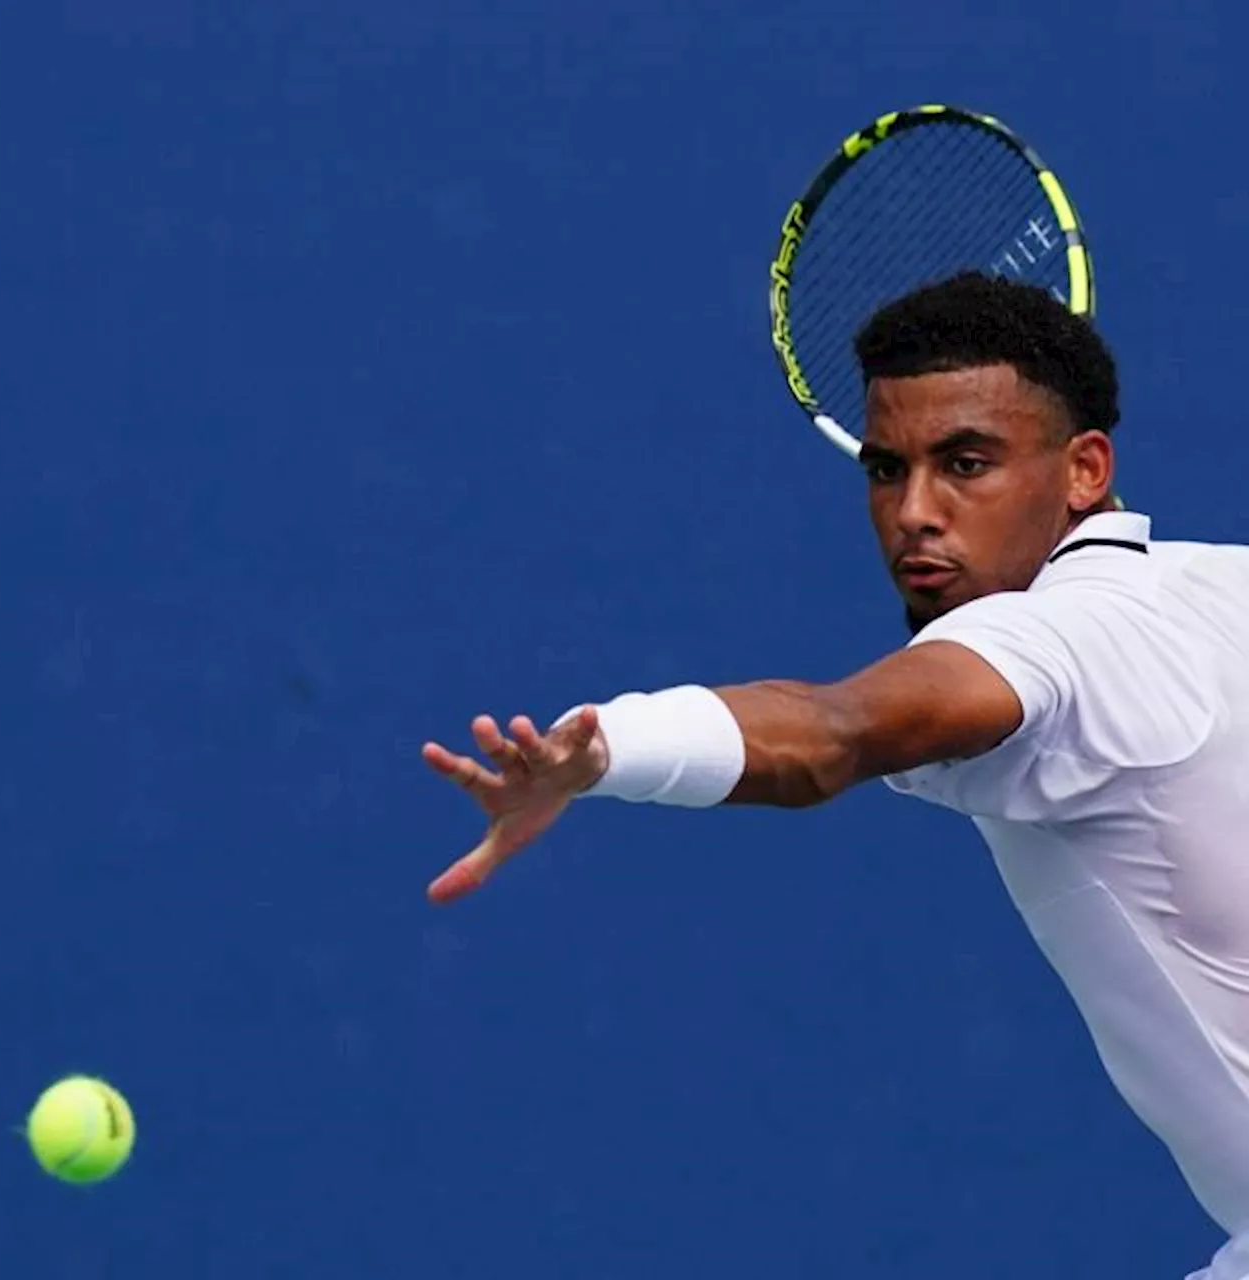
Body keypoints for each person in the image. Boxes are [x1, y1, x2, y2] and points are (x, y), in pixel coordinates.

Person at [421, 271, 1249, 1280]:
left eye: (966, 463)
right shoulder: (1225, 584)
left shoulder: (1053, 638)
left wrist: (608, 750)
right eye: (885, 468)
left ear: (1083, 469)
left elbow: (832, 730)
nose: (913, 512)